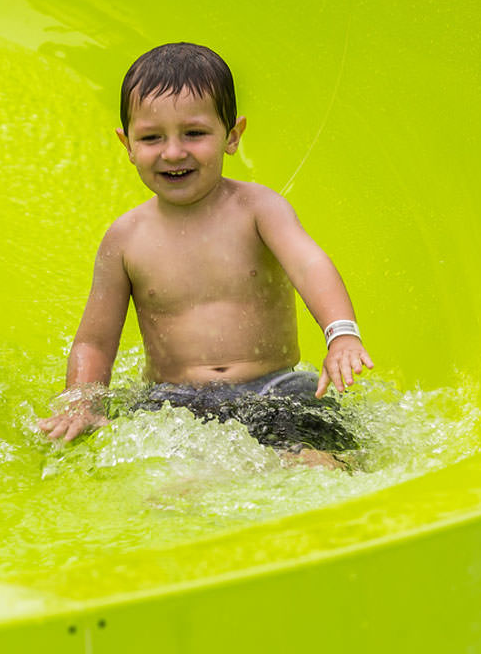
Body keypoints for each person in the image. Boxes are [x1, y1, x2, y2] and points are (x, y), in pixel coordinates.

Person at [37, 43, 374, 467]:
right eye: (151, 137)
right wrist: (81, 404)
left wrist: (341, 334)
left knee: (320, 463)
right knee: (171, 488)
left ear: (232, 136)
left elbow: (309, 264)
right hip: (175, 403)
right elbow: (95, 342)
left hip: (275, 388)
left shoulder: (259, 210)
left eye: (194, 133)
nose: (173, 152)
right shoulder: (125, 238)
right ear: (126, 144)